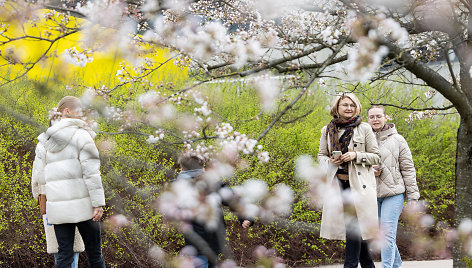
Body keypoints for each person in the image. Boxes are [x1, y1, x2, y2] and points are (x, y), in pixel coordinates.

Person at [32, 96, 106, 268]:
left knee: (64, 256)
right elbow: (92, 172)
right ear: (67, 111)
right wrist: (98, 203)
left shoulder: (44, 141)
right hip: (84, 205)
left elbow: (40, 177)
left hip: (58, 208)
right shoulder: (82, 136)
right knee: (94, 254)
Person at [318, 93, 380, 268]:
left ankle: (350, 266)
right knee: (356, 231)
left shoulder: (365, 128)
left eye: (352, 105)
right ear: (337, 107)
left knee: (353, 229)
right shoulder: (327, 130)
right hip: (337, 185)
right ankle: (368, 265)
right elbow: (321, 156)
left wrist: (356, 155)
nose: (349, 108)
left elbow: (376, 156)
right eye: (345, 105)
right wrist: (330, 162)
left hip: (359, 186)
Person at [367, 105, 420, 268]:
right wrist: (370, 170)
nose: (375, 119)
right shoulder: (362, 139)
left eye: (378, 116)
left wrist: (413, 196)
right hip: (371, 195)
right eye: (372, 117)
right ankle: (396, 264)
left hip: (394, 194)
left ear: (386, 118)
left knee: (387, 234)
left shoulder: (398, 140)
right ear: (367, 119)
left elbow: (408, 168)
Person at [176, 153, 251, 268]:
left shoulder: (178, 186)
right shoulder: (213, 183)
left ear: (181, 169)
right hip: (214, 236)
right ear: (203, 168)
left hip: (196, 240)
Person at [32, 154, 85, 268]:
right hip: (74, 203)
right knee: (71, 248)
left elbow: (35, 184)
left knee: (59, 248)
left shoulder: (42, 151)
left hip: (50, 202)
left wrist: (41, 200)